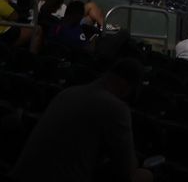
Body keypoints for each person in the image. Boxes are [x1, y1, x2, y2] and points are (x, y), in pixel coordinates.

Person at [12, 53, 154, 182]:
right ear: (125, 87)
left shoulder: (67, 93)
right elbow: (127, 171)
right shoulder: (116, 108)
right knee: (146, 176)